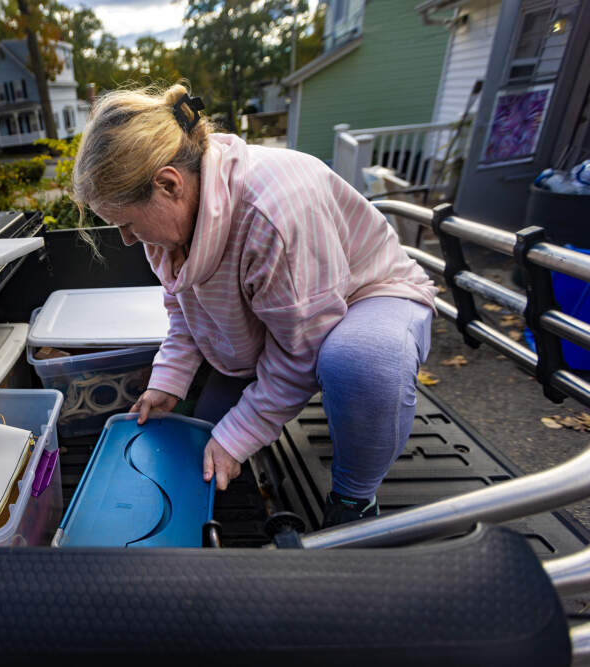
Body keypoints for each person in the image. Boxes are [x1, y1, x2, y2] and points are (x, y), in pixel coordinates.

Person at [71, 85, 437, 527]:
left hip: (367, 296)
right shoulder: (170, 225)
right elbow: (182, 310)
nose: (127, 239)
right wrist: (169, 381)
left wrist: (239, 435)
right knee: (202, 444)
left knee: (359, 362)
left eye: (126, 224)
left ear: (169, 183)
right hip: (290, 313)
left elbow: (303, 349)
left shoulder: (272, 212)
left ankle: (355, 497)